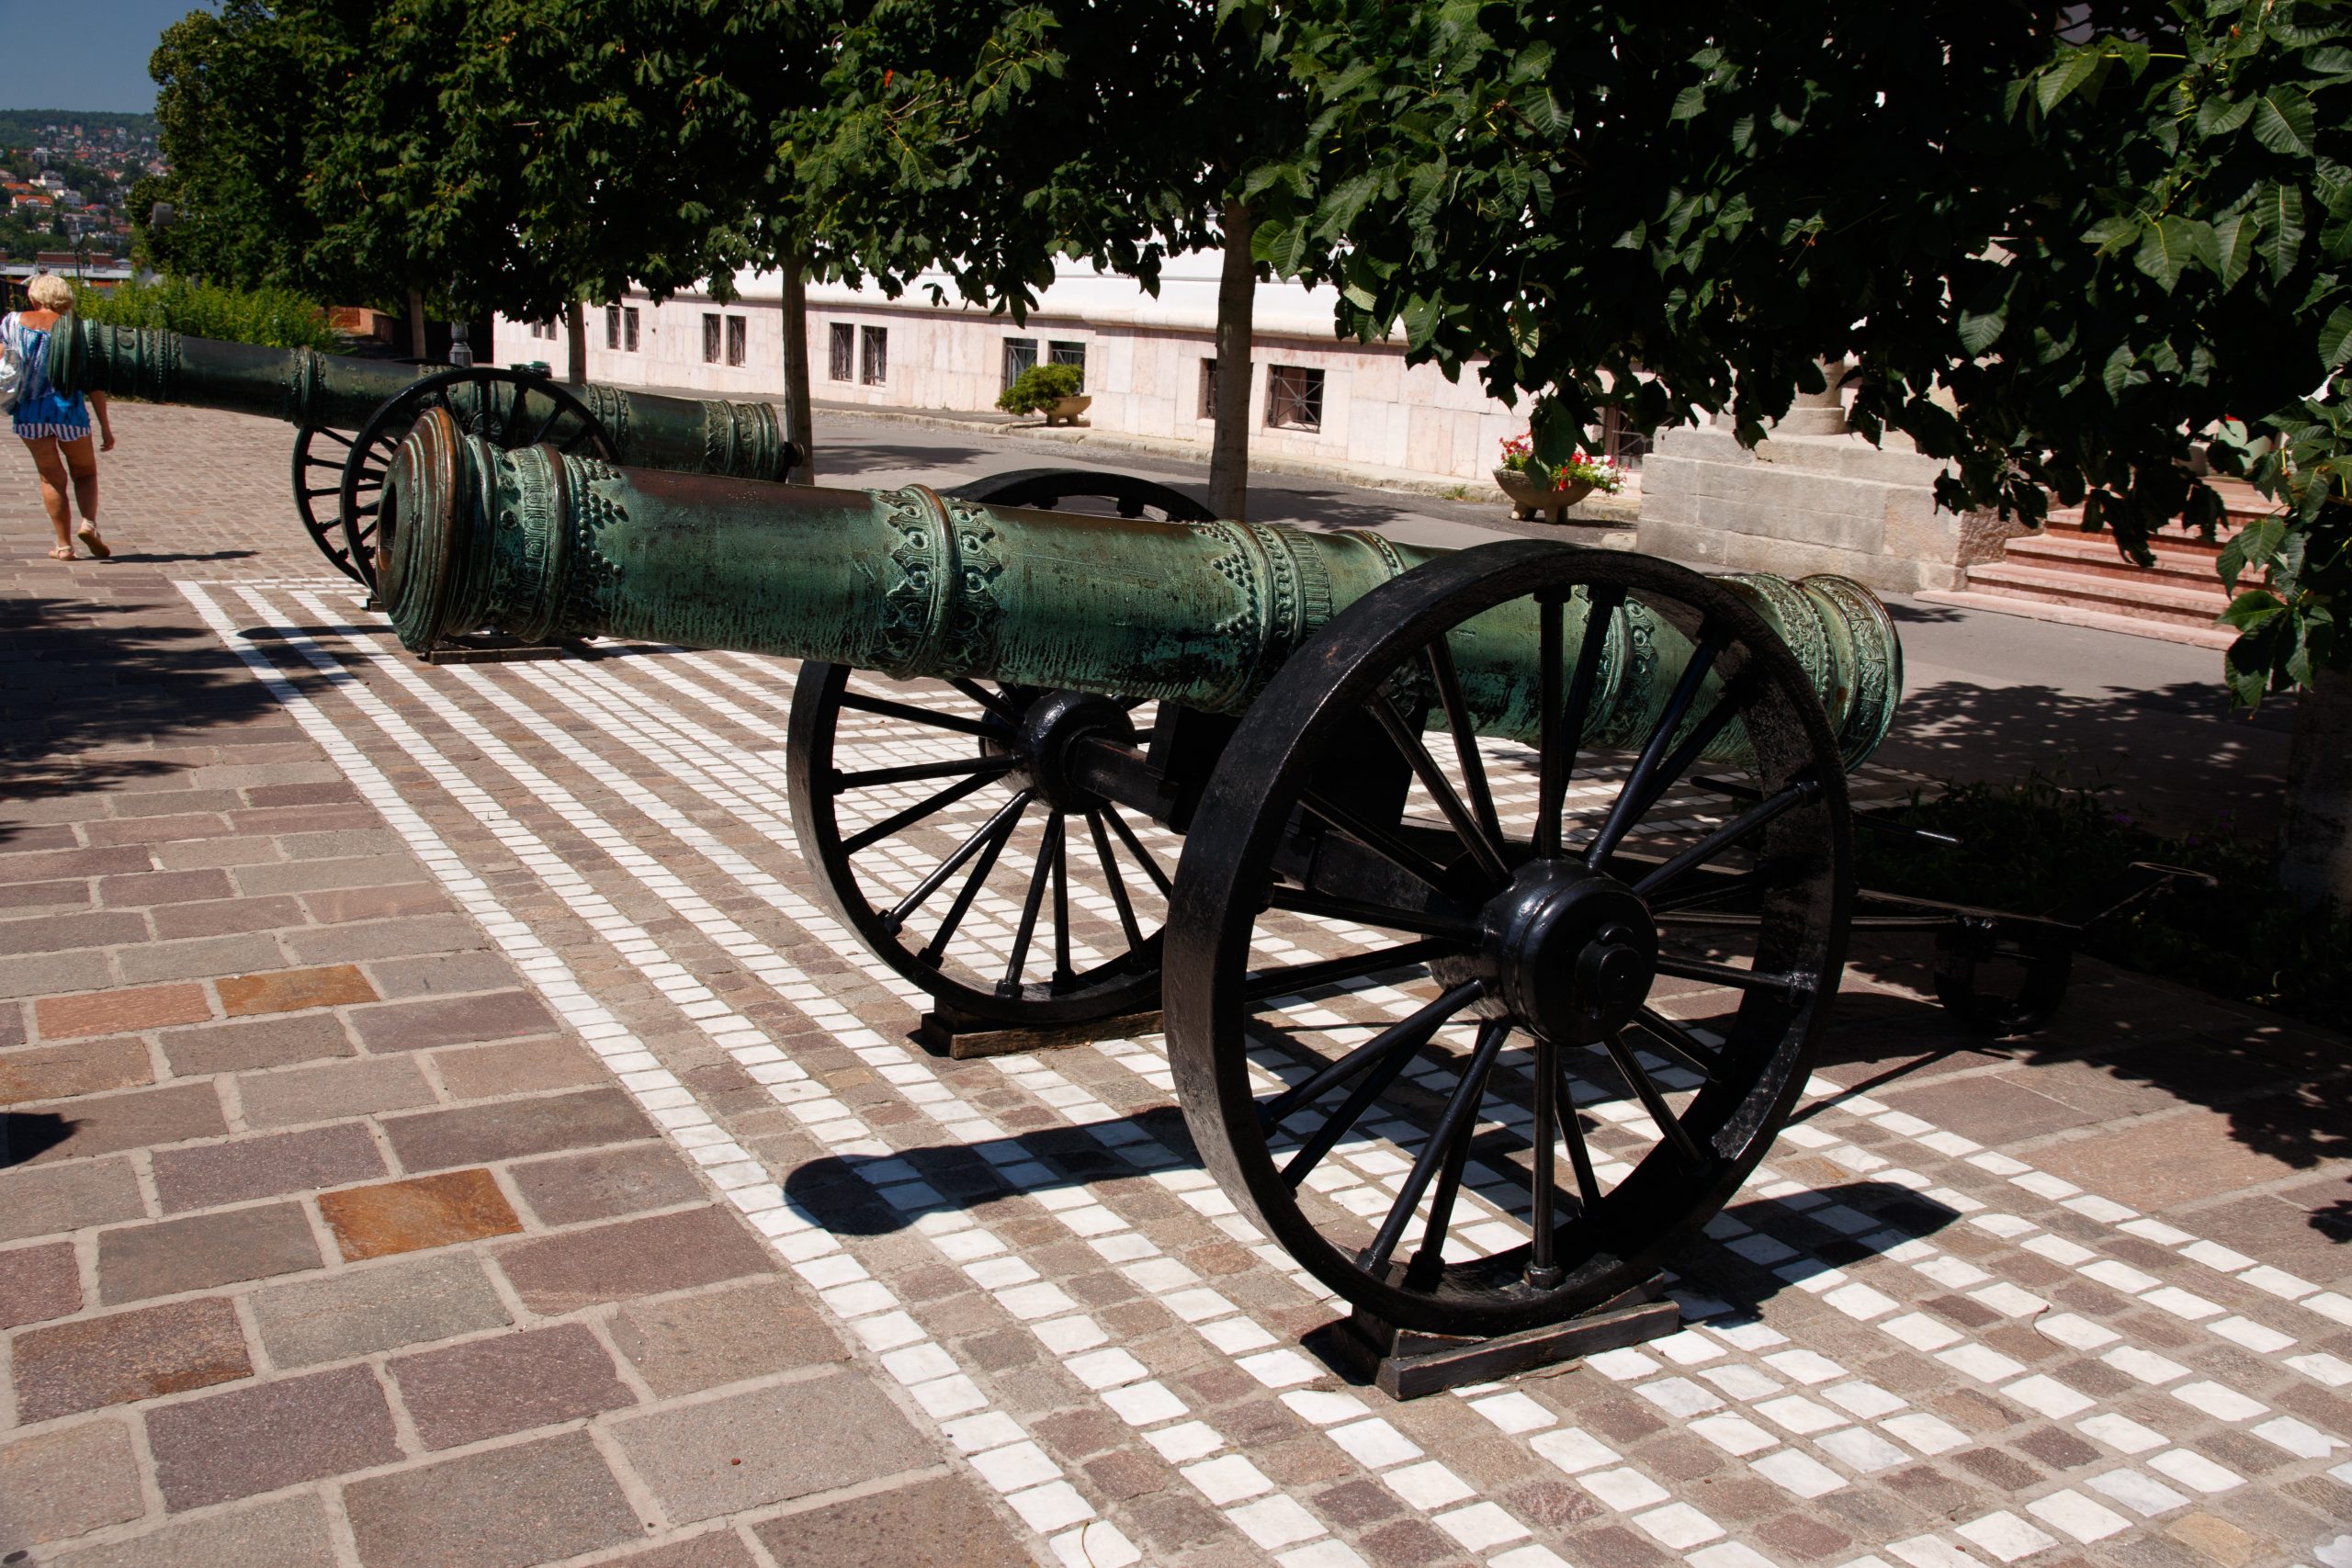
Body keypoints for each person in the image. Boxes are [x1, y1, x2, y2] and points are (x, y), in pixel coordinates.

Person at [5, 274, 114, 560]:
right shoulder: (78, 330)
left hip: (29, 413)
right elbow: (93, 382)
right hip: (69, 412)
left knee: (50, 478)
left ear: (36, 296)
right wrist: (105, 426)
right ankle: (89, 524)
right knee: (85, 472)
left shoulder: (12, 322)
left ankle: (64, 546)